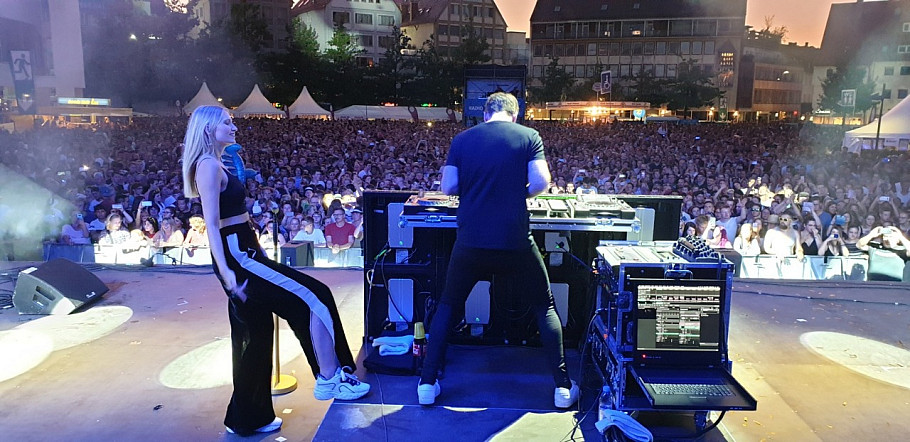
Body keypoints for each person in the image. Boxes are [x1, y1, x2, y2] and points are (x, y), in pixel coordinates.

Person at [180, 105, 368, 436]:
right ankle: (330, 377)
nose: (234, 126)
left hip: (245, 250)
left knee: (255, 335)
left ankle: (247, 418)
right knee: (315, 295)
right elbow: (212, 224)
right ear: (209, 128)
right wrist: (227, 273)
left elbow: (237, 218)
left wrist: (258, 252)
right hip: (238, 257)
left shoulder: (217, 162)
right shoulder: (207, 165)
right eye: (227, 122)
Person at [417, 93, 577, 408]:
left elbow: (448, 187)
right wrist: (516, 193)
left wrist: (476, 190)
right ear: (514, 115)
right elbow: (541, 182)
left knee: (448, 306)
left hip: (471, 240)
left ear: (486, 114)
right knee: (544, 307)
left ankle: (426, 383)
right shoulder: (529, 136)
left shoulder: (463, 139)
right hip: (514, 240)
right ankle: (562, 388)